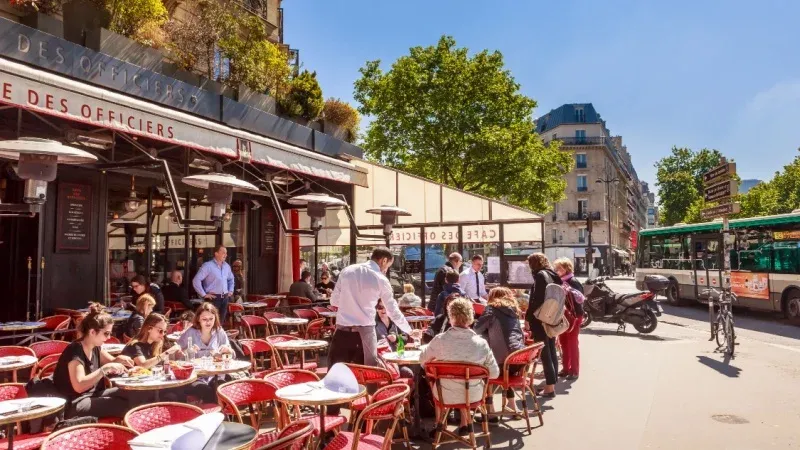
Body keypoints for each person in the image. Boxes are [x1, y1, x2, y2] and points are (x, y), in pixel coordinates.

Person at [420, 297, 499, 436]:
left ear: (450, 316)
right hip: (473, 395)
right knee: (465, 383)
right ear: (471, 317)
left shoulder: (440, 340)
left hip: (445, 395)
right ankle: (464, 424)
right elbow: (494, 374)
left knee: (440, 381)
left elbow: (423, 361)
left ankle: (440, 424)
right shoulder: (481, 344)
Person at [53, 304, 134, 419]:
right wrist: (104, 369)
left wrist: (121, 361)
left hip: (92, 395)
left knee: (132, 394)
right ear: (92, 332)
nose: (109, 337)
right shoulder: (75, 351)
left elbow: (112, 362)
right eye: (106, 333)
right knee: (126, 405)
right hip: (75, 403)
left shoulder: (95, 347)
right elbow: (79, 386)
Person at [473, 287, 525, 422]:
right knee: (505, 371)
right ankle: (512, 406)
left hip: (504, 361)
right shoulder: (513, 311)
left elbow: (476, 329)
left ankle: (490, 412)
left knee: (485, 370)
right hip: (519, 360)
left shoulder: (491, 310)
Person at [177, 303, 234, 402]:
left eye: (211, 319)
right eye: (204, 319)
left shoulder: (219, 331)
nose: (208, 322)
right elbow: (176, 355)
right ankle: (214, 411)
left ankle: (223, 411)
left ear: (215, 318)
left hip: (215, 374)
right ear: (198, 319)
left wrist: (228, 351)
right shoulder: (190, 332)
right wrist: (187, 352)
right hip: (195, 377)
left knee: (221, 387)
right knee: (206, 391)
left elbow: (231, 355)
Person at [525, 253, 561, 398]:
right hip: (551, 317)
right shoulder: (552, 274)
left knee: (544, 352)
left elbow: (536, 300)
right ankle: (551, 383)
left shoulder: (540, 276)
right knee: (551, 349)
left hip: (540, 318)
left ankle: (549, 387)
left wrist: (528, 317)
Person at [553, 257, 584, 381]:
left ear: (566, 268)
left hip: (573, 316)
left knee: (572, 343)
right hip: (563, 316)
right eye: (556, 268)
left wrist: (568, 291)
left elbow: (580, 300)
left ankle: (574, 371)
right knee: (563, 342)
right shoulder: (561, 281)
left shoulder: (573, 281)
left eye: (559, 268)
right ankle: (566, 368)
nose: (557, 270)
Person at [192, 245, 235, 325]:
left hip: (225, 298)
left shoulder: (226, 266)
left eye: (226, 253)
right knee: (211, 323)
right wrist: (204, 294)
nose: (225, 255)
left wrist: (231, 290)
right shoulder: (208, 266)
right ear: (216, 253)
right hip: (213, 298)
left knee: (220, 323)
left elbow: (231, 279)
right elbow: (196, 280)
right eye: (223, 253)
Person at [375, 301, 414, 378]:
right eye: (380, 307)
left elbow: (406, 337)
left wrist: (396, 338)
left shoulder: (396, 321)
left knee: (414, 369)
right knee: (407, 373)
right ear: (376, 309)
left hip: (398, 358)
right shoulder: (373, 323)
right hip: (383, 362)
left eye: (386, 307)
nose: (383, 310)